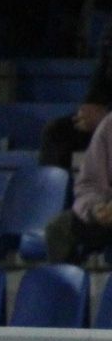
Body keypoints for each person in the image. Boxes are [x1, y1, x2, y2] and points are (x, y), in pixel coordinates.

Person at [45, 112, 112, 262]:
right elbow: (89, 183)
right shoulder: (109, 125)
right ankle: (68, 283)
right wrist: (96, 208)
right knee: (59, 228)